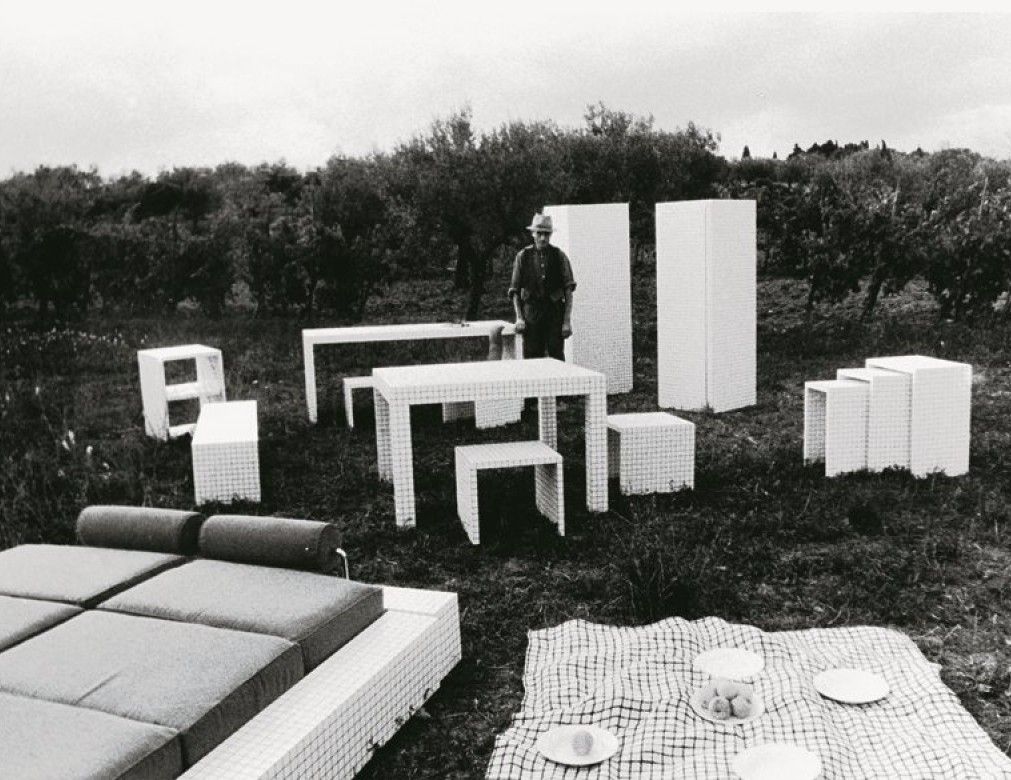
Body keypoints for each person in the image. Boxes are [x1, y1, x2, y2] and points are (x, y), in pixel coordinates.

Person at [508, 213, 576, 360]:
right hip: (531, 314)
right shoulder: (523, 256)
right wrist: (519, 318)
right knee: (532, 356)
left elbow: (568, 290)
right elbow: (514, 290)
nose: (543, 238)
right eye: (539, 233)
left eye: (546, 234)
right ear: (533, 234)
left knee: (556, 355)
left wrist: (566, 322)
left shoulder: (559, 256)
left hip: (554, 314)